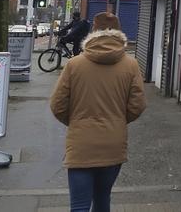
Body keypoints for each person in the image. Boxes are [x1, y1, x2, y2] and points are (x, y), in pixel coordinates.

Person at [50, 12, 146, 212]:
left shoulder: (75, 65)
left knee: (79, 205)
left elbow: (57, 105)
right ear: (119, 32)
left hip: (81, 143)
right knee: (103, 198)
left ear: (93, 31)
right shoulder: (130, 65)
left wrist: (76, 121)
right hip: (113, 142)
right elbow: (137, 105)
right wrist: (118, 120)